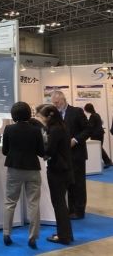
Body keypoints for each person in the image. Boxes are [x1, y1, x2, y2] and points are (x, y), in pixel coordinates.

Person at [2, 102, 45, 249]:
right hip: (32, 169)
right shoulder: (35, 130)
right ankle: (33, 237)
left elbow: (5, 151)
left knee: (10, 202)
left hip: (14, 168)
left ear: (13, 115)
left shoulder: (9, 129)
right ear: (28, 114)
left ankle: (6, 234)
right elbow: (41, 152)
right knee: (34, 203)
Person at [51, 91, 90, 219]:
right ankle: (71, 209)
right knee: (68, 183)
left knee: (78, 183)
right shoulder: (54, 115)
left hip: (77, 154)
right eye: (53, 103)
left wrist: (75, 140)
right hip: (63, 156)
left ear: (63, 100)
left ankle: (79, 210)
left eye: (57, 102)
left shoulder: (76, 112)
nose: (55, 105)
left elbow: (88, 130)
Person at [39, 105, 74, 245]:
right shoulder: (62, 127)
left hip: (57, 170)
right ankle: (66, 233)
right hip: (65, 169)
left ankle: (63, 236)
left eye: (42, 117)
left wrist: (42, 149)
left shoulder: (55, 130)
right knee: (62, 204)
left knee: (58, 204)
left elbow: (50, 150)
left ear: (48, 117)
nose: (41, 119)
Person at [84, 103, 112, 168]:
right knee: (99, 148)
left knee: (99, 148)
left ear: (88, 109)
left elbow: (90, 126)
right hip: (100, 134)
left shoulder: (92, 116)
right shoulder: (97, 115)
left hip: (96, 135)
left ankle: (107, 161)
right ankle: (107, 161)